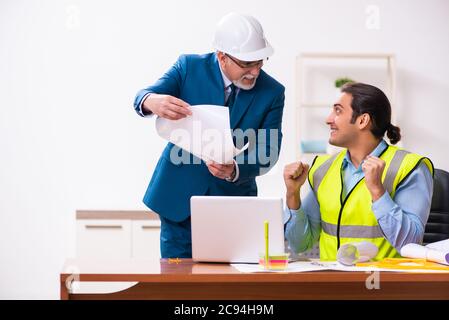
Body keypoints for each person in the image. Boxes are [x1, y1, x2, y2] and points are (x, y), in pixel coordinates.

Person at [133, 13, 285, 258]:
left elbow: (268, 150)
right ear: (222, 56)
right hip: (177, 197)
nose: (255, 71)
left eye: (260, 62)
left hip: (231, 203)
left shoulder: (273, 92)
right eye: (247, 64)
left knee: (224, 283)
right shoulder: (188, 67)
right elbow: (144, 95)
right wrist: (152, 101)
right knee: (176, 280)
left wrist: (236, 169)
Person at [283, 82, 434, 261]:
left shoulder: (409, 167)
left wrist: (378, 192)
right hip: (332, 283)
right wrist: (293, 194)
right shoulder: (322, 169)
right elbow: (300, 244)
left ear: (362, 120)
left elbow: (410, 243)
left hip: (386, 285)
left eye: (338, 111)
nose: (328, 119)